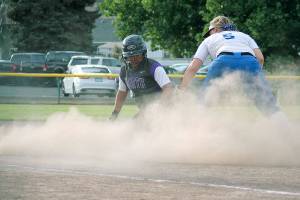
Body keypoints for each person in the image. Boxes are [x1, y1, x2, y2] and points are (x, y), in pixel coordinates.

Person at [180, 16, 279, 116]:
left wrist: (183, 89)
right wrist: (255, 77)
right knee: (267, 103)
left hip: (223, 60)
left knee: (204, 101)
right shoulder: (244, 36)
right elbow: (260, 58)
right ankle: (284, 127)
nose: (209, 35)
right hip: (250, 61)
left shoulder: (210, 39)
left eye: (209, 32)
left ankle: (196, 128)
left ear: (215, 29)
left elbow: (193, 68)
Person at [110, 34, 173, 120]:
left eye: (137, 56)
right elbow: (122, 93)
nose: (133, 59)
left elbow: (168, 89)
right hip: (146, 111)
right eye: (130, 56)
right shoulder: (124, 71)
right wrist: (115, 114)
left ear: (144, 54)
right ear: (125, 56)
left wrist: (158, 106)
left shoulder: (154, 67)